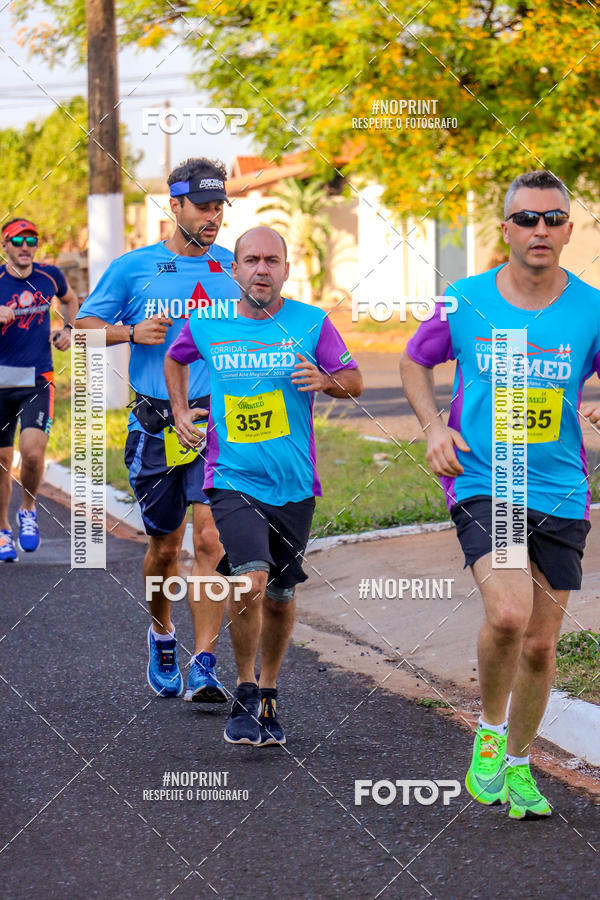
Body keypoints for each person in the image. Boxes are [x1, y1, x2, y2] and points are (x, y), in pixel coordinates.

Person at [400, 169, 600, 819]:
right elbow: (414, 360)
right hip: (490, 478)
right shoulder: (465, 300)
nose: (540, 229)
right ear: (505, 229)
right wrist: (433, 427)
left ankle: (519, 765)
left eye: (553, 218)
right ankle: (489, 733)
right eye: (527, 218)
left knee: (540, 645)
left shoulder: (592, 308)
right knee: (510, 613)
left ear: (568, 230)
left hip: (562, 489)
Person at [165, 225, 363, 746]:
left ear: (286, 270)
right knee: (249, 581)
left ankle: (270, 692)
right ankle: (245, 688)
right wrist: (181, 410)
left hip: (294, 483)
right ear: (234, 270)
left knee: (279, 594)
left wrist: (326, 381)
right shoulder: (207, 323)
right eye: (251, 260)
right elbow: (175, 357)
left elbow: (354, 380)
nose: (261, 269)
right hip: (232, 477)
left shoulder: (311, 322)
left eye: (271, 261)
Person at [77, 158, 240, 703]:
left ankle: (205, 662)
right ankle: (163, 632)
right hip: (155, 424)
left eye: (219, 207)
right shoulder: (134, 268)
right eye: (204, 207)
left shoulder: (232, 267)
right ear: (174, 206)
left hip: (217, 421)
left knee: (211, 539)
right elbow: (81, 329)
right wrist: (129, 332)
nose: (214, 217)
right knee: (165, 549)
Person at [0, 218, 78, 561]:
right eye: (17, 240)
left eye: (31, 240)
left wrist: (69, 330)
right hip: (0, 383)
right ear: (4, 246)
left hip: (37, 379)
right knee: (3, 461)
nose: (25, 247)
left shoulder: (50, 276)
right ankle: (3, 529)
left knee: (32, 452)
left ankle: (28, 509)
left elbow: (70, 300)